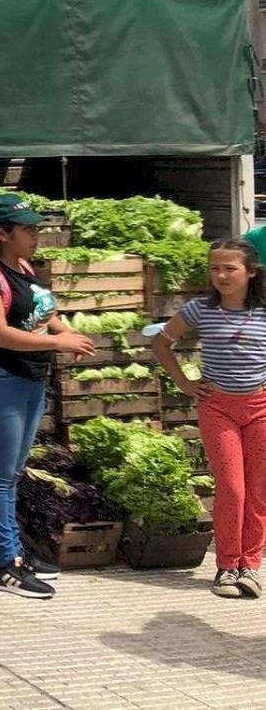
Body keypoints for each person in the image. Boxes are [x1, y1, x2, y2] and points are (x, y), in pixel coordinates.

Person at [0, 193, 94, 600]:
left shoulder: (23, 267)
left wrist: (63, 332)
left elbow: (44, 313)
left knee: (14, 473)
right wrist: (57, 344)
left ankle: (15, 552)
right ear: (2, 234)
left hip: (30, 381)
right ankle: (4, 565)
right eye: (29, 230)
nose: (37, 236)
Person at [153, 238, 266, 599]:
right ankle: (226, 566)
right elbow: (161, 343)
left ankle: (251, 565)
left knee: (259, 491)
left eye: (230, 268)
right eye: (214, 268)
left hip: (261, 407)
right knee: (232, 489)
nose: (221, 275)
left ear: (250, 272)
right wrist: (184, 382)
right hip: (217, 407)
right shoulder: (199, 309)